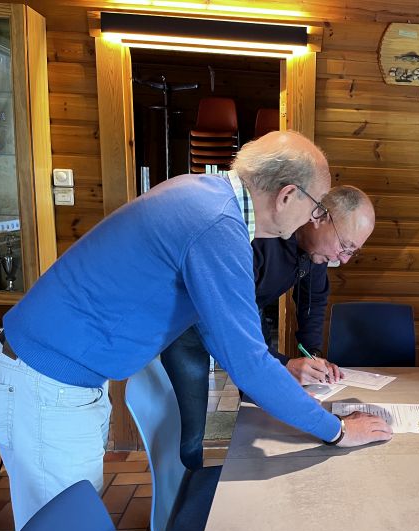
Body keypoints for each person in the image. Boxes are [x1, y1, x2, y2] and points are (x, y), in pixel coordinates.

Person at [0, 131, 392, 531]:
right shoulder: (217, 224)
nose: (314, 218)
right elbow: (248, 364)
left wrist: (280, 372)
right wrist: (338, 431)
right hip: (45, 387)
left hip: (50, 381)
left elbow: (217, 333)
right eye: (317, 209)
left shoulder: (205, 197)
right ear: (286, 196)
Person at [161, 185, 376, 472]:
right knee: (191, 427)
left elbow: (313, 301)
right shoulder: (261, 237)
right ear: (321, 217)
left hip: (246, 312)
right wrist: (284, 366)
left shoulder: (317, 252)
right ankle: (189, 488)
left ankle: (251, 468)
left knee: (256, 408)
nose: (344, 258)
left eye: (353, 252)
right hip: (191, 322)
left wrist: (311, 355)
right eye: (345, 246)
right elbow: (238, 345)